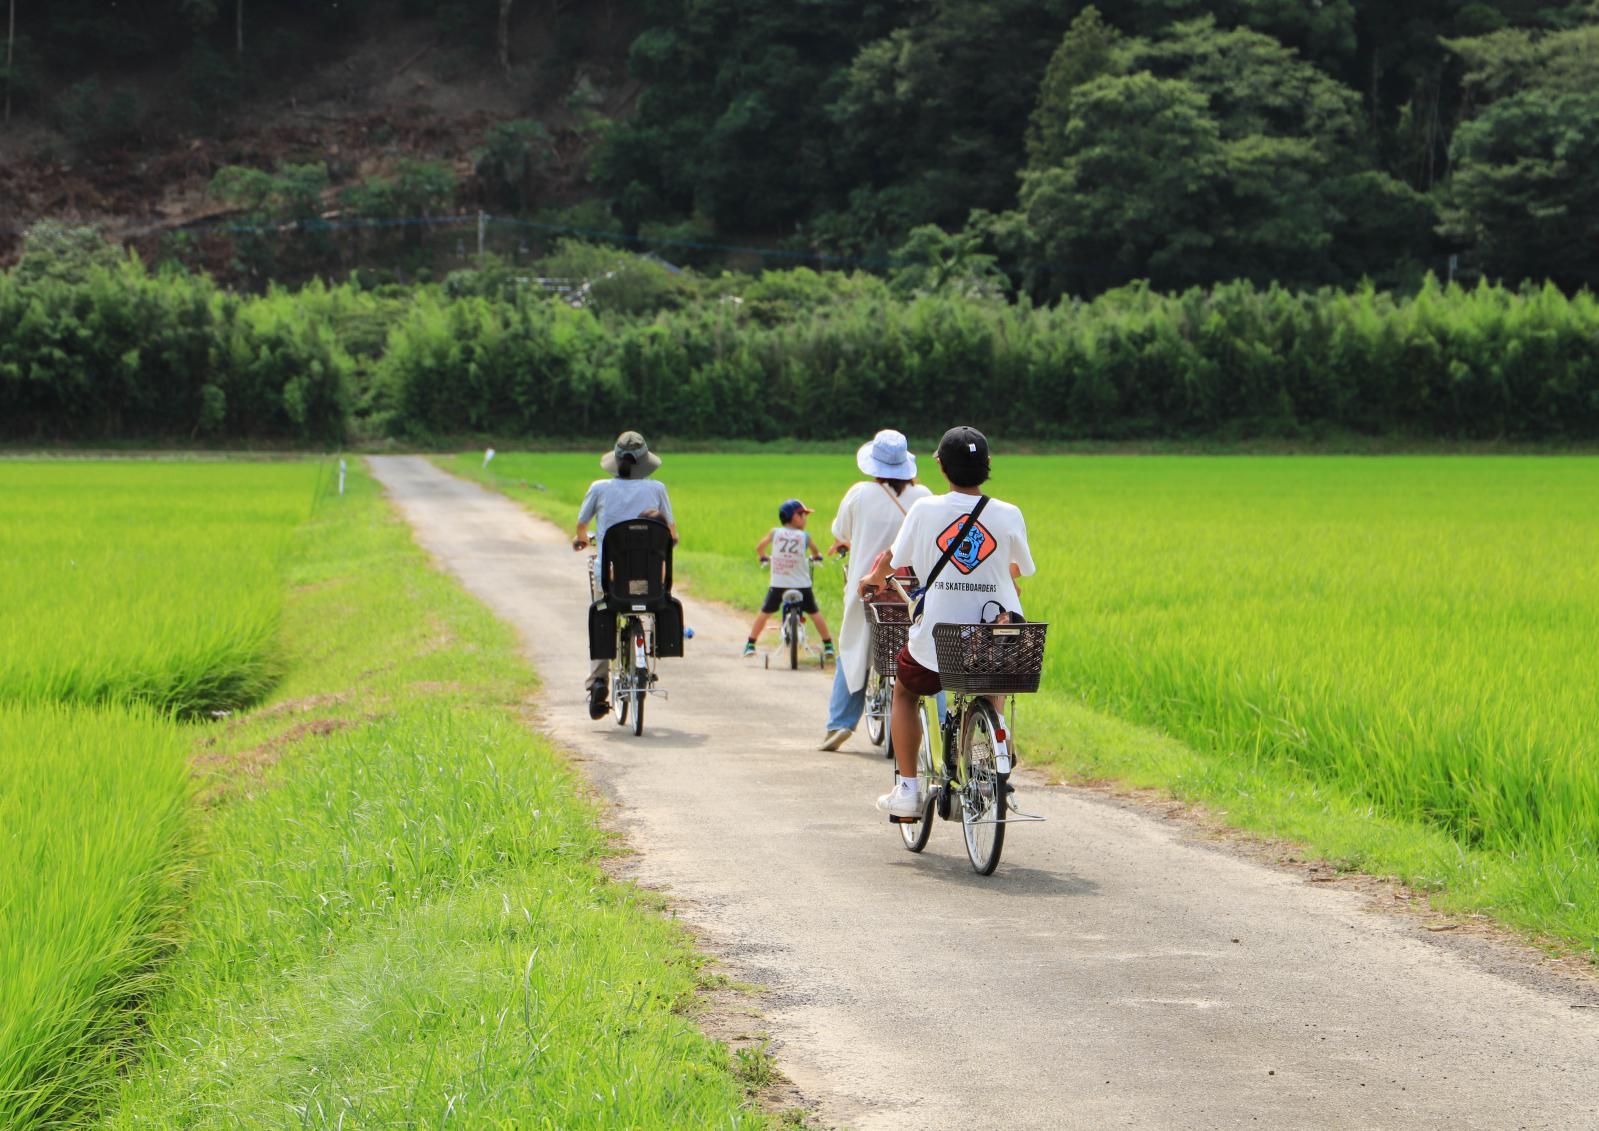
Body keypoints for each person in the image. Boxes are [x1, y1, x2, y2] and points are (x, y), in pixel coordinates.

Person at [858, 426, 1035, 817]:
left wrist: (873, 579)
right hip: (992, 637)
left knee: (905, 691)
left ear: (940, 465)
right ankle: (988, 764)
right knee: (990, 684)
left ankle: (907, 790)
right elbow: (1016, 571)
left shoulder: (925, 509)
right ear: (987, 466)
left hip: (939, 639)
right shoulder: (1009, 513)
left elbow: (894, 557)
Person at [819, 429, 931, 751]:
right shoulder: (923, 496)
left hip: (868, 587)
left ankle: (840, 722)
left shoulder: (860, 493)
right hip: (913, 591)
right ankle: (931, 724)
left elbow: (840, 530)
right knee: (924, 651)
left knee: (853, 646)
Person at [572, 431, 678, 719]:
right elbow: (671, 534)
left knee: (603, 614)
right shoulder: (657, 489)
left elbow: (582, 526)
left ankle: (598, 681)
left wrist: (582, 539)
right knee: (655, 600)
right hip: (650, 578)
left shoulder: (600, 488)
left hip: (611, 576)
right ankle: (649, 648)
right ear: (645, 463)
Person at [744, 499, 834, 660]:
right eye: (803, 515)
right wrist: (817, 557)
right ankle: (828, 645)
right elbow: (815, 553)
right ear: (795, 517)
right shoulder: (805, 536)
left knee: (765, 612)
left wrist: (764, 557)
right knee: (814, 613)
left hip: (779, 584)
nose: (805, 518)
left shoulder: (774, 533)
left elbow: (759, 548)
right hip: (801, 585)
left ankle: (750, 643)